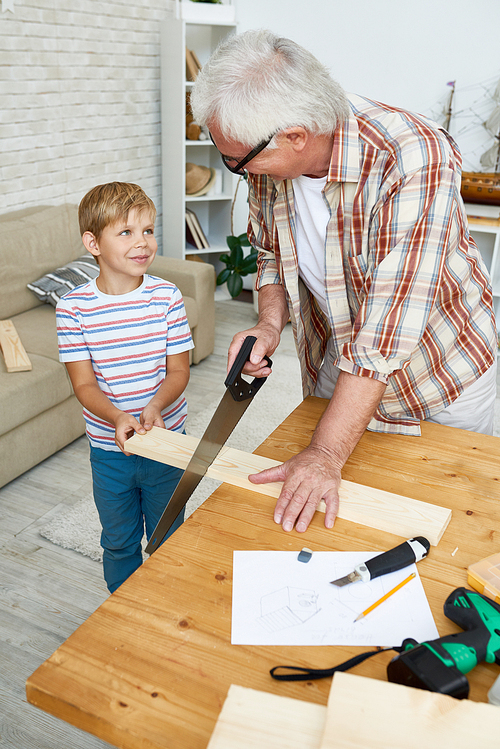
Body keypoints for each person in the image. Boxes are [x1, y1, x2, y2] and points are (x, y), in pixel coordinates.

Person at [191, 29, 498, 535]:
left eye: (236, 161)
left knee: (459, 526)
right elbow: (270, 250)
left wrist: (325, 451)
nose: (233, 170)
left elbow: (387, 328)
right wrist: (268, 324)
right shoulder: (265, 158)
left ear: (294, 136)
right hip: (337, 362)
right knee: (347, 528)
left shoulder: (413, 155)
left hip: (441, 376)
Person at [56, 182, 194, 592]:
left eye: (148, 230)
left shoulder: (167, 297)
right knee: (118, 543)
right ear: (92, 242)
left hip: (166, 443)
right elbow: (83, 383)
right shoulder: (72, 309)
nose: (143, 243)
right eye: (127, 232)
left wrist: (156, 407)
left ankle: (166, 611)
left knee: (170, 539)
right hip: (109, 452)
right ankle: (123, 614)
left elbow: (179, 372)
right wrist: (117, 416)